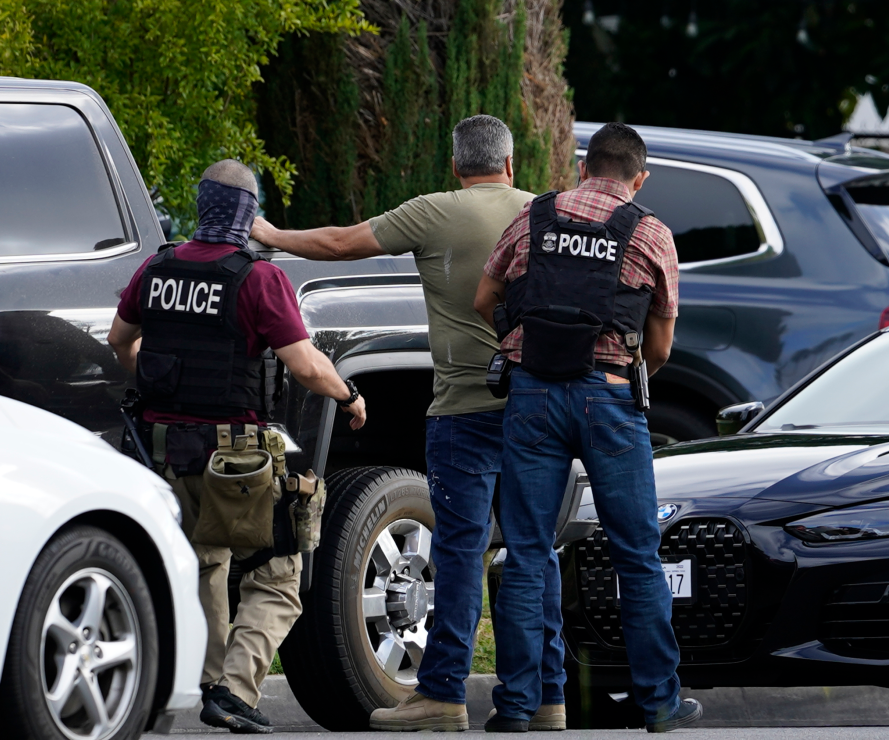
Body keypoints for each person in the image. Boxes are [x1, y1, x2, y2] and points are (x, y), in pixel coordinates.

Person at [251, 115, 567, 732]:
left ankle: (444, 694)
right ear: (509, 165)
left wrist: (270, 232)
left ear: (455, 167)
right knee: (534, 552)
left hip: (462, 411)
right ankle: (546, 698)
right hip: (536, 410)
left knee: (458, 551)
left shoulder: (434, 211)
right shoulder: (542, 212)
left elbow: (342, 244)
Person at [107, 160, 366, 735]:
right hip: (235, 460)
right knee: (278, 573)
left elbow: (120, 341)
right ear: (249, 215)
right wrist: (348, 395)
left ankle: (208, 682)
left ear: (201, 206)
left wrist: (153, 380)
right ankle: (236, 689)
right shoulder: (258, 278)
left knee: (206, 563)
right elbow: (303, 365)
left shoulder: (158, 266)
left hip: (164, 452)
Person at [472, 122, 703, 733]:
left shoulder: (533, 220)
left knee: (525, 553)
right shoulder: (650, 232)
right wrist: (621, 372)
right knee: (637, 556)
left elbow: (483, 298)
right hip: (610, 401)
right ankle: (658, 703)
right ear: (639, 177)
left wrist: (526, 347)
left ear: (582, 168)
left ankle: (518, 706)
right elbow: (661, 344)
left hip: (532, 398)